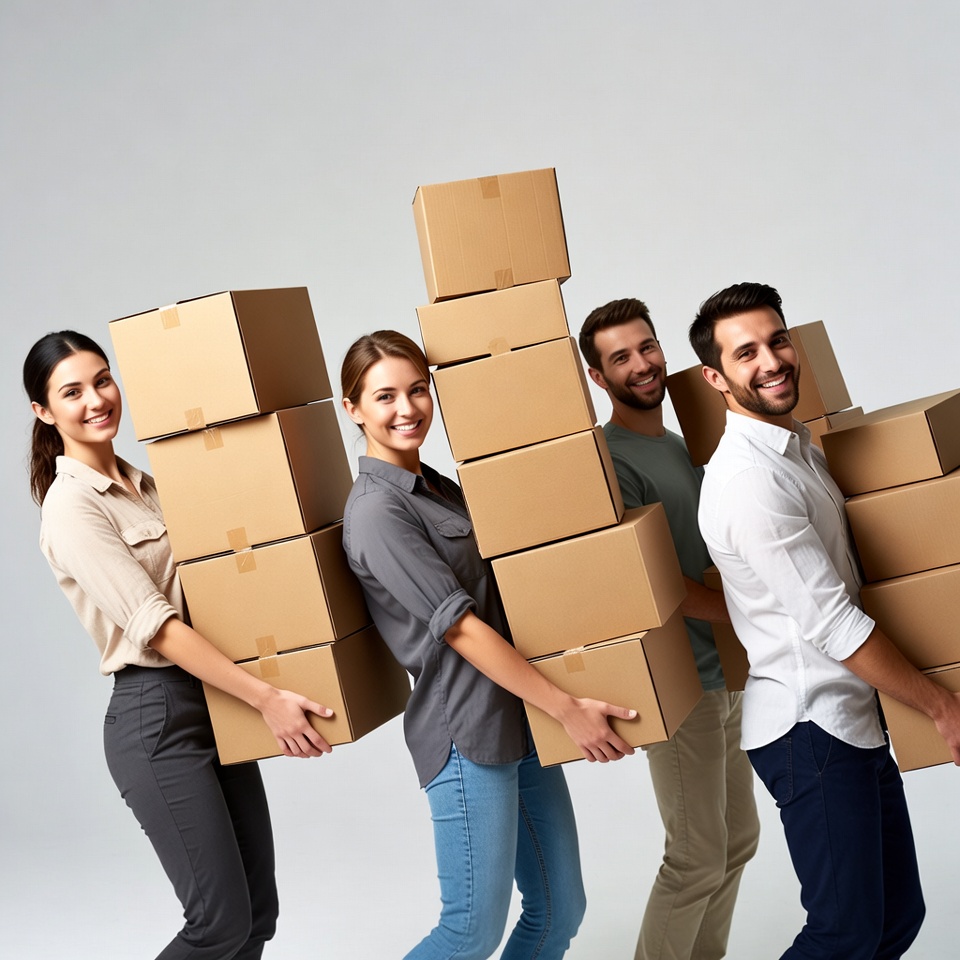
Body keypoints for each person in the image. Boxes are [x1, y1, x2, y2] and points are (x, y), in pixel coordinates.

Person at [25, 330, 334, 960]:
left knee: (255, 918)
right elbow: (156, 624)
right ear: (43, 411)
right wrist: (266, 698)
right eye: (72, 391)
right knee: (217, 925)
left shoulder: (152, 483)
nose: (96, 400)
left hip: (215, 700)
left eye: (102, 380)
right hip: (157, 716)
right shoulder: (71, 505)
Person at [340, 329, 637, 960]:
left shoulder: (440, 487)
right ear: (353, 408)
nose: (407, 408)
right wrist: (567, 709)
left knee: (560, 911)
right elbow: (460, 626)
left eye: (418, 390)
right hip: (466, 733)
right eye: (385, 395)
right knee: (469, 931)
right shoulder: (376, 512)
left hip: (517, 718)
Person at [690, 282, 960, 959]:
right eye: (746, 352)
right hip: (808, 728)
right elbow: (834, 625)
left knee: (895, 917)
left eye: (777, 341)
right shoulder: (750, 482)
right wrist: (941, 706)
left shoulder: (797, 445)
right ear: (715, 378)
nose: (772, 361)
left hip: (851, 719)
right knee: (843, 934)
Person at [579, 299, 760, 960]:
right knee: (694, 858)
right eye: (620, 357)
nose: (641, 364)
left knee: (737, 843)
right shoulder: (611, 458)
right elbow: (656, 585)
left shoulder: (682, 447)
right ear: (599, 379)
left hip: (725, 674)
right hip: (678, 684)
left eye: (646, 347)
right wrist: (758, 610)